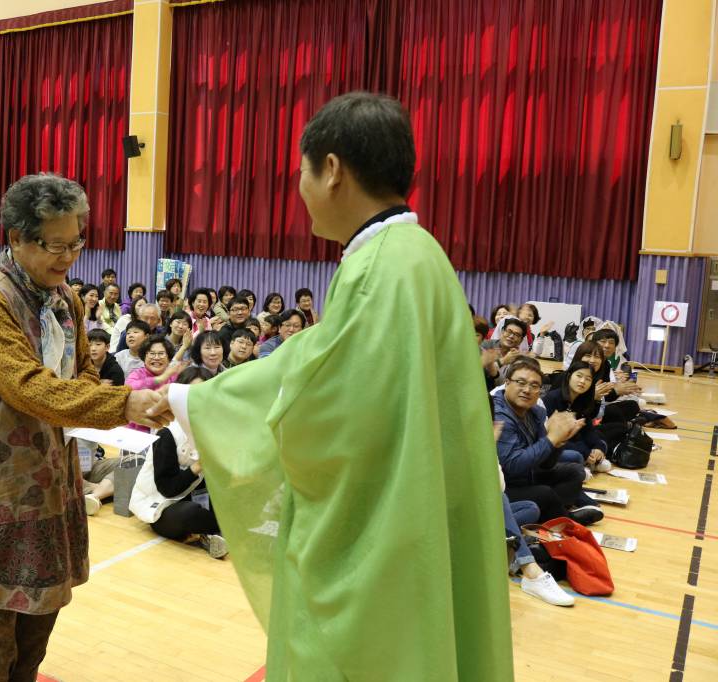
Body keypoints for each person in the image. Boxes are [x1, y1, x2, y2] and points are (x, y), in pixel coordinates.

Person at [148, 93, 512, 679]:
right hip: (417, 501)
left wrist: (195, 397)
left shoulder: (376, 271)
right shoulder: (418, 256)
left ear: (333, 169)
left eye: (302, 172)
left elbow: (318, 387)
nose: (301, 188)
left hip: (381, 530)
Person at [0, 173, 170, 682]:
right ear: (15, 238)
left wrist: (115, 398)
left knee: (36, 629)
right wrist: (124, 403)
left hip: (46, 484)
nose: (67, 257)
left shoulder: (66, 300)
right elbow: (28, 387)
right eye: (54, 245)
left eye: (76, 242)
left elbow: (82, 371)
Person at [130, 366, 228, 558]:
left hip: (197, 497)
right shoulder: (168, 432)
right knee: (189, 513)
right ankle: (216, 530)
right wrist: (199, 466)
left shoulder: (214, 428)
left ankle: (208, 535)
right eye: (192, 394)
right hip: (165, 505)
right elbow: (167, 488)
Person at [494, 358, 603, 526]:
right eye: (521, 383)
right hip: (503, 487)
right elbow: (512, 465)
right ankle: (565, 519)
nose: (527, 390)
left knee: (574, 471)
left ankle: (552, 511)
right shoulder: (500, 416)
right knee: (544, 493)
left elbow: (546, 464)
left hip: (527, 476)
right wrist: (551, 439)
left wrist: (559, 442)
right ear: (507, 383)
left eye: (534, 385)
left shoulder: (535, 412)